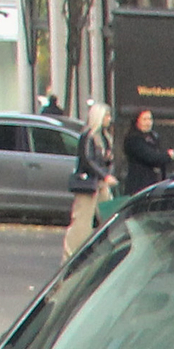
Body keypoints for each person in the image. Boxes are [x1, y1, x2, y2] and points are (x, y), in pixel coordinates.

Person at [63, 101, 114, 257]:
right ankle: (71, 255)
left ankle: (108, 249)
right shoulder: (88, 136)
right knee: (82, 222)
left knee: (110, 215)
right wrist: (104, 174)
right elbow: (87, 160)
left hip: (101, 183)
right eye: (106, 115)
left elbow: (102, 159)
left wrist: (108, 162)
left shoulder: (104, 136)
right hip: (89, 183)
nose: (109, 119)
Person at [123, 109, 174, 195]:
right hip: (139, 185)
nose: (148, 123)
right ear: (137, 121)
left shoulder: (154, 137)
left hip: (155, 183)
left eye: (150, 119)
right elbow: (150, 157)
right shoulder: (133, 139)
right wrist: (167, 156)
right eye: (144, 119)